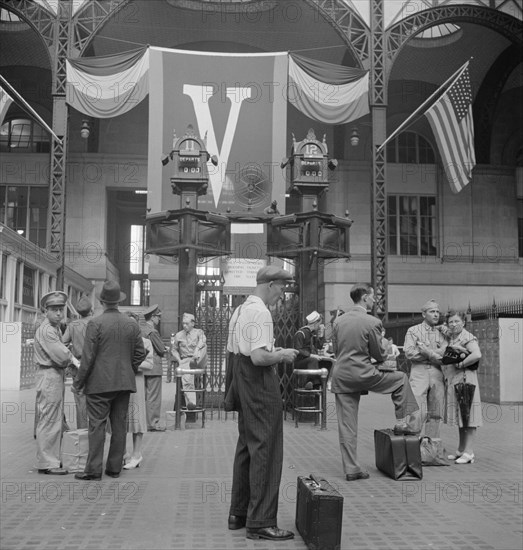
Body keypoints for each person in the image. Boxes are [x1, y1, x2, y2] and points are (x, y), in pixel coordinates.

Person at [227, 265, 298, 541]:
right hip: (259, 382)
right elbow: (258, 357)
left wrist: (274, 351)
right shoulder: (261, 312)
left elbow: (243, 353)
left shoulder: (241, 310)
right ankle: (261, 522)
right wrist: (281, 356)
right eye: (281, 288)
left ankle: (239, 513)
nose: (282, 294)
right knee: (266, 450)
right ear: (270, 284)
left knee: (246, 445)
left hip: (242, 380)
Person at [331, 283, 419, 482]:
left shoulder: (339, 321)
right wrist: (387, 346)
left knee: (347, 426)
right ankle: (404, 421)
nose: (374, 300)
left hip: (343, 376)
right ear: (364, 297)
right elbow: (378, 354)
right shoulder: (372, 322)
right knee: (400, 379)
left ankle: (352, 469)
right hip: (365, 374)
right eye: (372, 297)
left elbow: (337, 351)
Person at [73, 281, 146, 481]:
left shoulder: (95, 324)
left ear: (102, 301)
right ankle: (114, 468)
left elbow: (87, 358)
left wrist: (78, 383)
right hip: (123, 383)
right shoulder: (131, 324)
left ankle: (93, 470)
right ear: (117, 301)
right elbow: (140, 353)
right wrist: (128, 369)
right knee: (119, 424)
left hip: (99, 385)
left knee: (96, 426)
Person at [34, 291, 79, 475]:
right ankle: (48, 463)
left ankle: (51, 459)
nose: (59, 313)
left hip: (53, 375)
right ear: (46, 311)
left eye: (61, 309)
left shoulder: (53, 328)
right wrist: (75, 362)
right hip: (50, 376)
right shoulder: (47, 330)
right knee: (49, 420)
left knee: (54, 419)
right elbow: (61, 354)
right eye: (55, 310)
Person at [443, 311, 483, 464]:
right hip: (457, 380)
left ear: (463, 323)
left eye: (456, 321)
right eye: (450, 322)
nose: (453, 324)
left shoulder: (467, 337)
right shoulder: (453, 337)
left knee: (469, 416)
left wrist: (461, 364)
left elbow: (477, 354)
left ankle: (469, 452)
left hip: (466, 379)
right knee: (462, 415)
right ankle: (461, 449)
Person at [404, 299, 447, 438]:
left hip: (437, 373)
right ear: (423, 314)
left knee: (436, 412)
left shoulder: (442, 333)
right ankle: (412, 446)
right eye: (432, 311)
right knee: (417, 411)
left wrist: (426, 351)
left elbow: (446, 355)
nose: (436, 315)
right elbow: (410, 353)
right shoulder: (413, 331)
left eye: (437, 312)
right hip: (419, 372)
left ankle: (430, 449)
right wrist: (434, 354)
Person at [123, 312, 153, 470]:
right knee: (120, 419)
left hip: (136, 383)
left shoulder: (145, 342)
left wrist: (132, 364)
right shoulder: (119, 342)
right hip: (120, 383)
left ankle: (136, 454)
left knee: (137, 418)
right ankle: (123, 454)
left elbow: (149, 364)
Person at [62, 295, 92, 429]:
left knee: (80, 401)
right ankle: (96, 431)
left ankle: (82, 432)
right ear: (90, 310)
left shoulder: (73, 325)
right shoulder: (96, 322)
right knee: (97, 401)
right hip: (95, 367)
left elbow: (63, 343)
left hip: (78, 367)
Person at [170, 312, 207, 409]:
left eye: (187, 323)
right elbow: (174, 349)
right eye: (183, 323)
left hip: (197, 359)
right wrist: (179, 360)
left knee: (192, 379)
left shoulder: (199, 332)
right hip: (185, 360)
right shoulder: (178, 335)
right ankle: (191, 402)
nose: (185, 326)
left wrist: (197, 350)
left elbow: (203, 340)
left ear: (193, 323)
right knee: (186, 378)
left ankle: (193, 401)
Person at [141, 304, 167, 431]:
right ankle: (153, 423)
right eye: (158, 316)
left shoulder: (141, 329)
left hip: (143, 366)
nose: (159, 319)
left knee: (144, 396)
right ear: (152, 317)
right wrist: (166, 349)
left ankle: (144, 422)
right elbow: (161, 349)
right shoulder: (153, 331)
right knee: (154, 397)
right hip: (154, 367)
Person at [293, 310, 331, 389]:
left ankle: (323, 384)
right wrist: (311, 355)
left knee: (327, 363)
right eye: (319, 323)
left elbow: (319, 346)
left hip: (310, 360)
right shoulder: (300, 333)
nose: (320, 326)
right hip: (301, 361)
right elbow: (298, 350)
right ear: (316, 323)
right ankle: (314, 383)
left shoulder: (312, 334)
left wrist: (321, 335)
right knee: (312, 360)